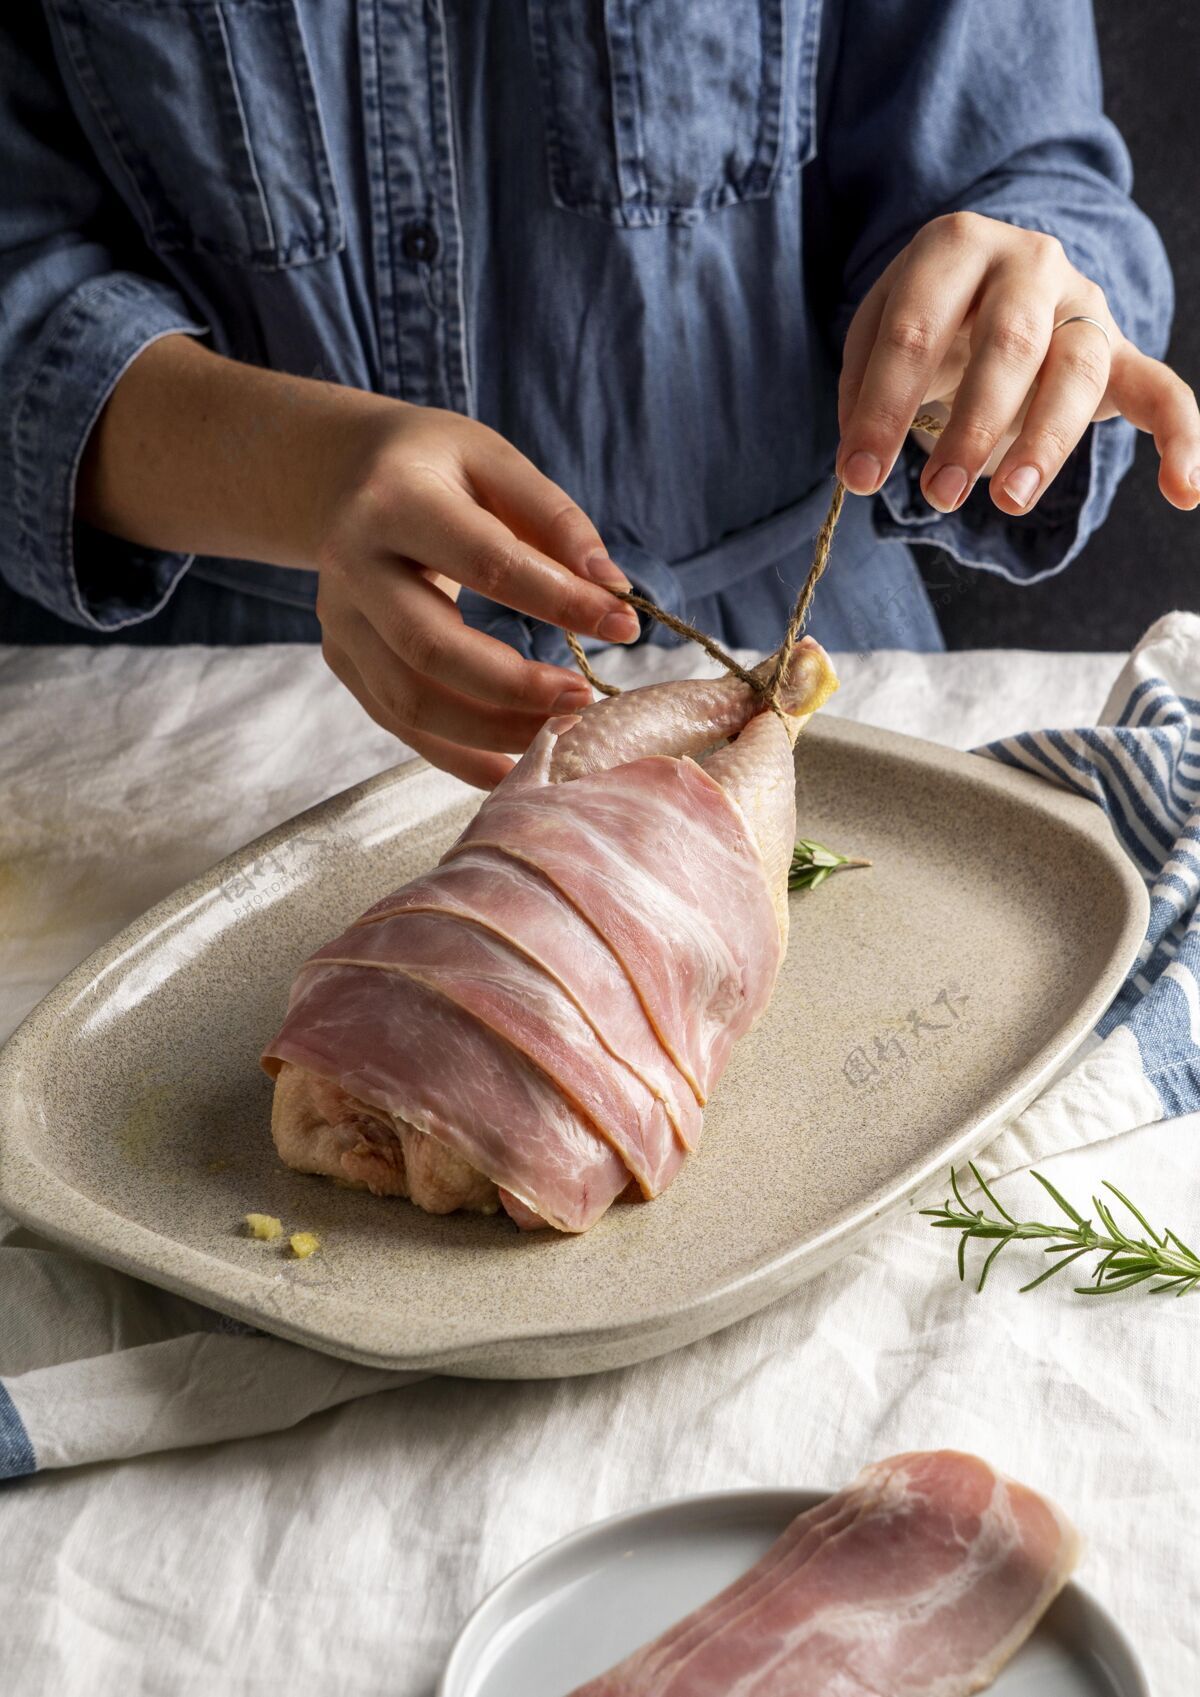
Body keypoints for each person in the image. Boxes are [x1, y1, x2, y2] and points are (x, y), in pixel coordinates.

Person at [1, 0, 1195, 786]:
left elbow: (1029, 167)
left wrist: (1014, 304)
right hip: (195, 743)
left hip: (807, 677)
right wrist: (315, 475)